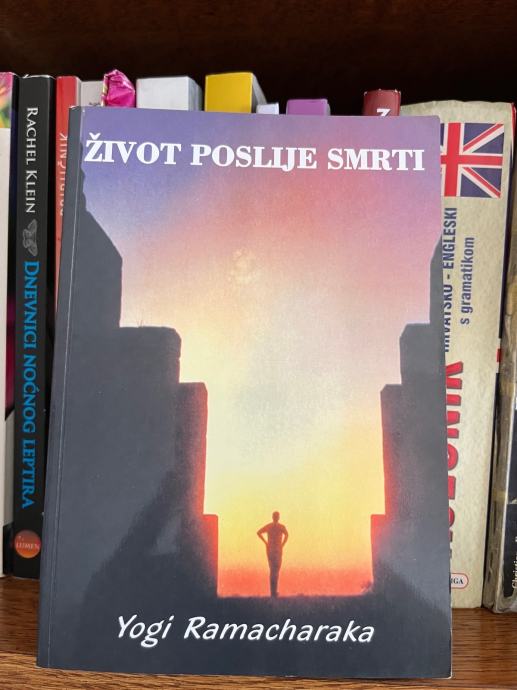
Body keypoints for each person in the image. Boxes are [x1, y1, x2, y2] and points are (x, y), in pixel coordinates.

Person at [257, 511, 288, 597]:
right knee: (276, 570)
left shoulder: (269, 526)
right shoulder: (281, 527)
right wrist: (282, 544)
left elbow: (258, 532)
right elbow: (287, 535)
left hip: (271, 549)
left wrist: (266, 542)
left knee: (272, 570)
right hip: (276, 549)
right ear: (278, 517)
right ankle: (273, 592)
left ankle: (273, 592)